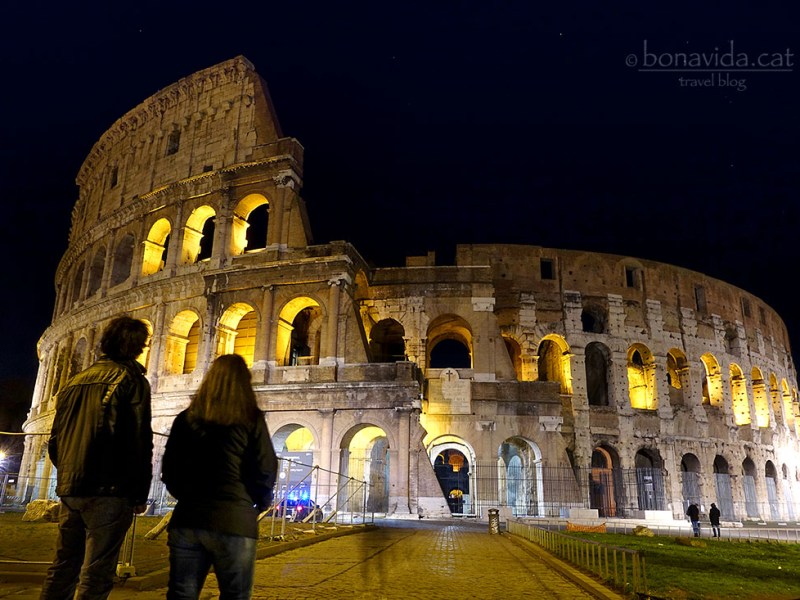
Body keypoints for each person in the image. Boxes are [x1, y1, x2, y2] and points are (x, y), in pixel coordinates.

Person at [41, 316, 153, 600]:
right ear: (137, 347)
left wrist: (68, 472)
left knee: (63, 566)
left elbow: (54, 441)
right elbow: (138, 442)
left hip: (71, 488)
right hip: (110, 490)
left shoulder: (73, 382)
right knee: (97, 572)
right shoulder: (132, 380)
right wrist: (139, 493)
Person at [162, 354, 278, 600]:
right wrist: (258, 502)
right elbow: (265, 468)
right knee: (235, 595)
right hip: (234, 519)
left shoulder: (186, 418)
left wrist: (188, 497)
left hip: (189, 517)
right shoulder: (251, 418)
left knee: (182, 593)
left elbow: (170, 469)